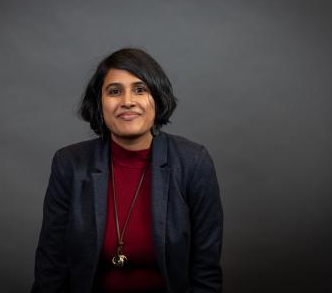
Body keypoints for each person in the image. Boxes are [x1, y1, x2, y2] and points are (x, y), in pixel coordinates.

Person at [31, 48, 223, 293]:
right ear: (99, 103)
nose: (127, 101)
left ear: (158, 97)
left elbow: (206, 272)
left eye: (140, 89)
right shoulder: (69, 164)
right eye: (114, 91)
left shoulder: (194, 162)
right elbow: (51, 266)